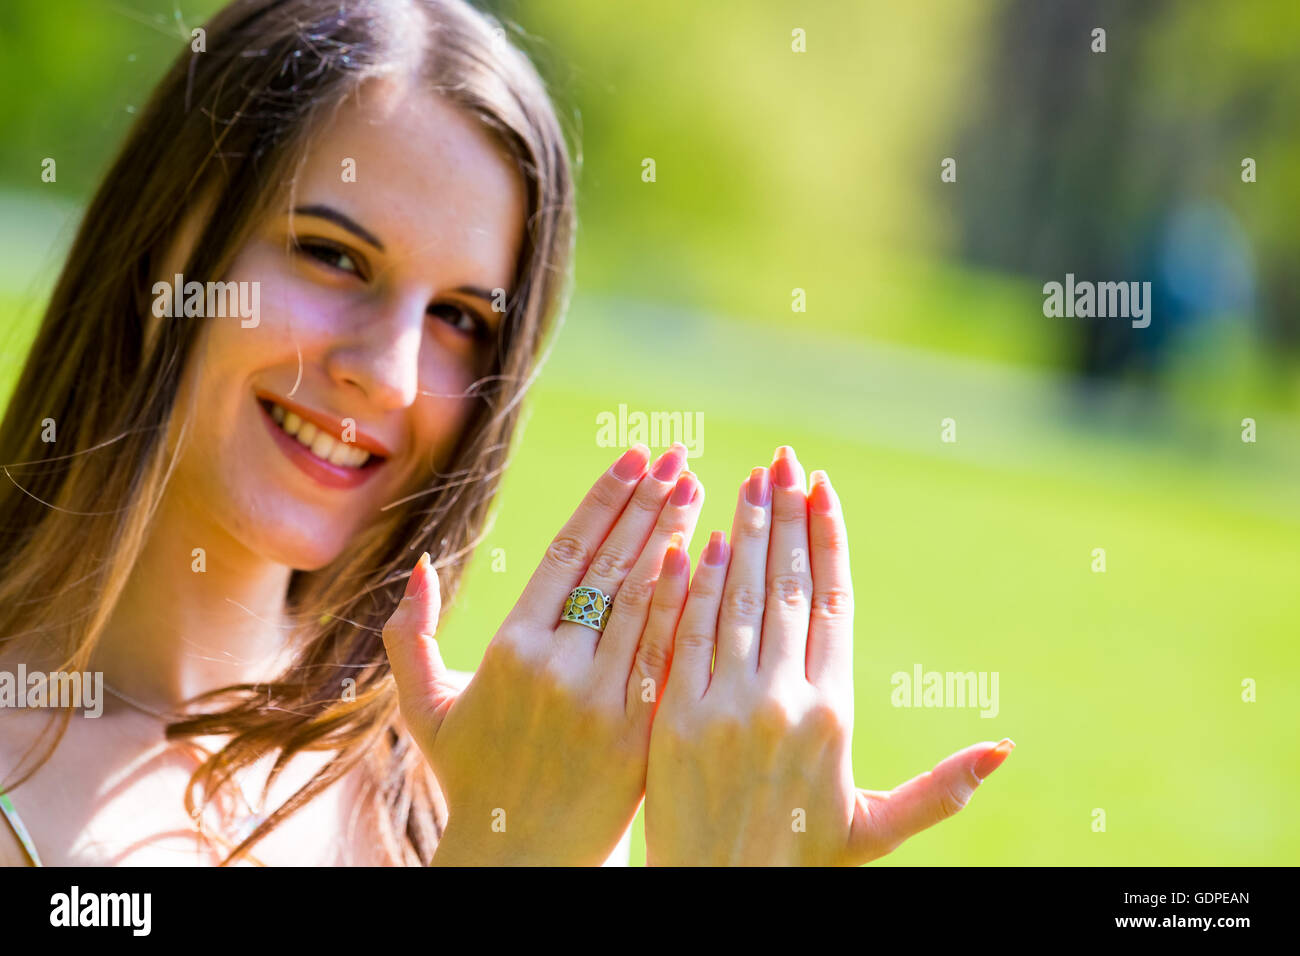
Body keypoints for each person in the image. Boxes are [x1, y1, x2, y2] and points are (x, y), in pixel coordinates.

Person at [0, 0, 1011, 866]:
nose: (387, 373)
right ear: (165, 244)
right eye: (333, 256)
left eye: (461, 320)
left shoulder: (501, 771)